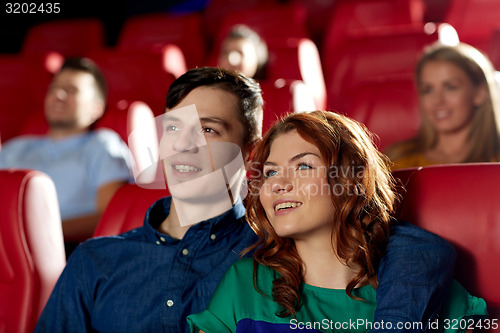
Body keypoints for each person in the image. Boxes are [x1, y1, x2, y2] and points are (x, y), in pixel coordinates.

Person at [36, 68, 454, 333]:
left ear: (251, 152)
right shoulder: (96, 259)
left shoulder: (279, 243)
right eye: (174, 129)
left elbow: (409, 246)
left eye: (210, 130)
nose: (186, 146)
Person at [187, 111, 487, 332]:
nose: (279, 184)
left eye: (303, 165)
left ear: (351, 180)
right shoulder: (244, 282)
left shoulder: (420, 286)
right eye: (270, 172)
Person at [0, 57, 131, 252]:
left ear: (96, 108)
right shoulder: (18, 146)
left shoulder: (102, 144)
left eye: (71, 90)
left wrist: (32, 233)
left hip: (66, 251)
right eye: (54, 88)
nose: (58, 94)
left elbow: (110, 217)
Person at [385, 42, 500, 170]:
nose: (437, 100)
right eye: (427, 90)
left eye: (450, 87)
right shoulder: (397, 160)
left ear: (480, 93)